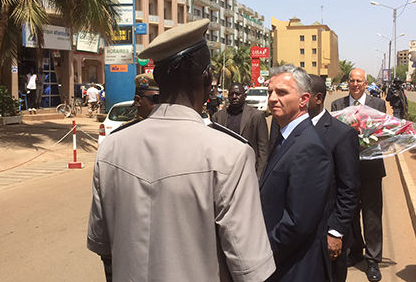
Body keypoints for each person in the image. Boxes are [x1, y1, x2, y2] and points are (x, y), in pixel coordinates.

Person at [87, 19, 275, 282]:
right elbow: (251, 269)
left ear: (159, 79)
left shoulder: (111, 149)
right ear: (207, 77)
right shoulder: (230, 154)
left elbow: (103, 248)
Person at [259, 64, 333, 281]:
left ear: (304, 100)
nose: (272, 98)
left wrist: (262, 255)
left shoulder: (310, 147)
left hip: (295, 268)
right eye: (270, 92)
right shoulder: (285, 138)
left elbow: (297, 223)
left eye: (281, 92)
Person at [331, 68, 387, 282]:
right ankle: (355, 251)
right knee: (349, 212)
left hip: (371, 168)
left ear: (366, 83)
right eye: (352, 81)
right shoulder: (337, 105)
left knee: (372, 215)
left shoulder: (378, 104)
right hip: (345, 169)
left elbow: (384, 133)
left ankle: (373, 260)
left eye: (359, 81)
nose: (355, 84)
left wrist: (371, 139)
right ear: (348, 82)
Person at [305, 74, 361, 282]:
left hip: (327, 235)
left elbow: (349, 189)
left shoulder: (342, 135)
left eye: (304, 95)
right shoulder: (285, 128)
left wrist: (336, 232)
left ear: (318, 98)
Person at [212, 82, 269, 177]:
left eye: (238, 94)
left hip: (248, 171)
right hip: (225, 172)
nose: (234, 97)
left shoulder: (256, 116)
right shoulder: (218, 117)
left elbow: (263, 150)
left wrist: (258, 177)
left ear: (245, 96)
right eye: (231, 94)